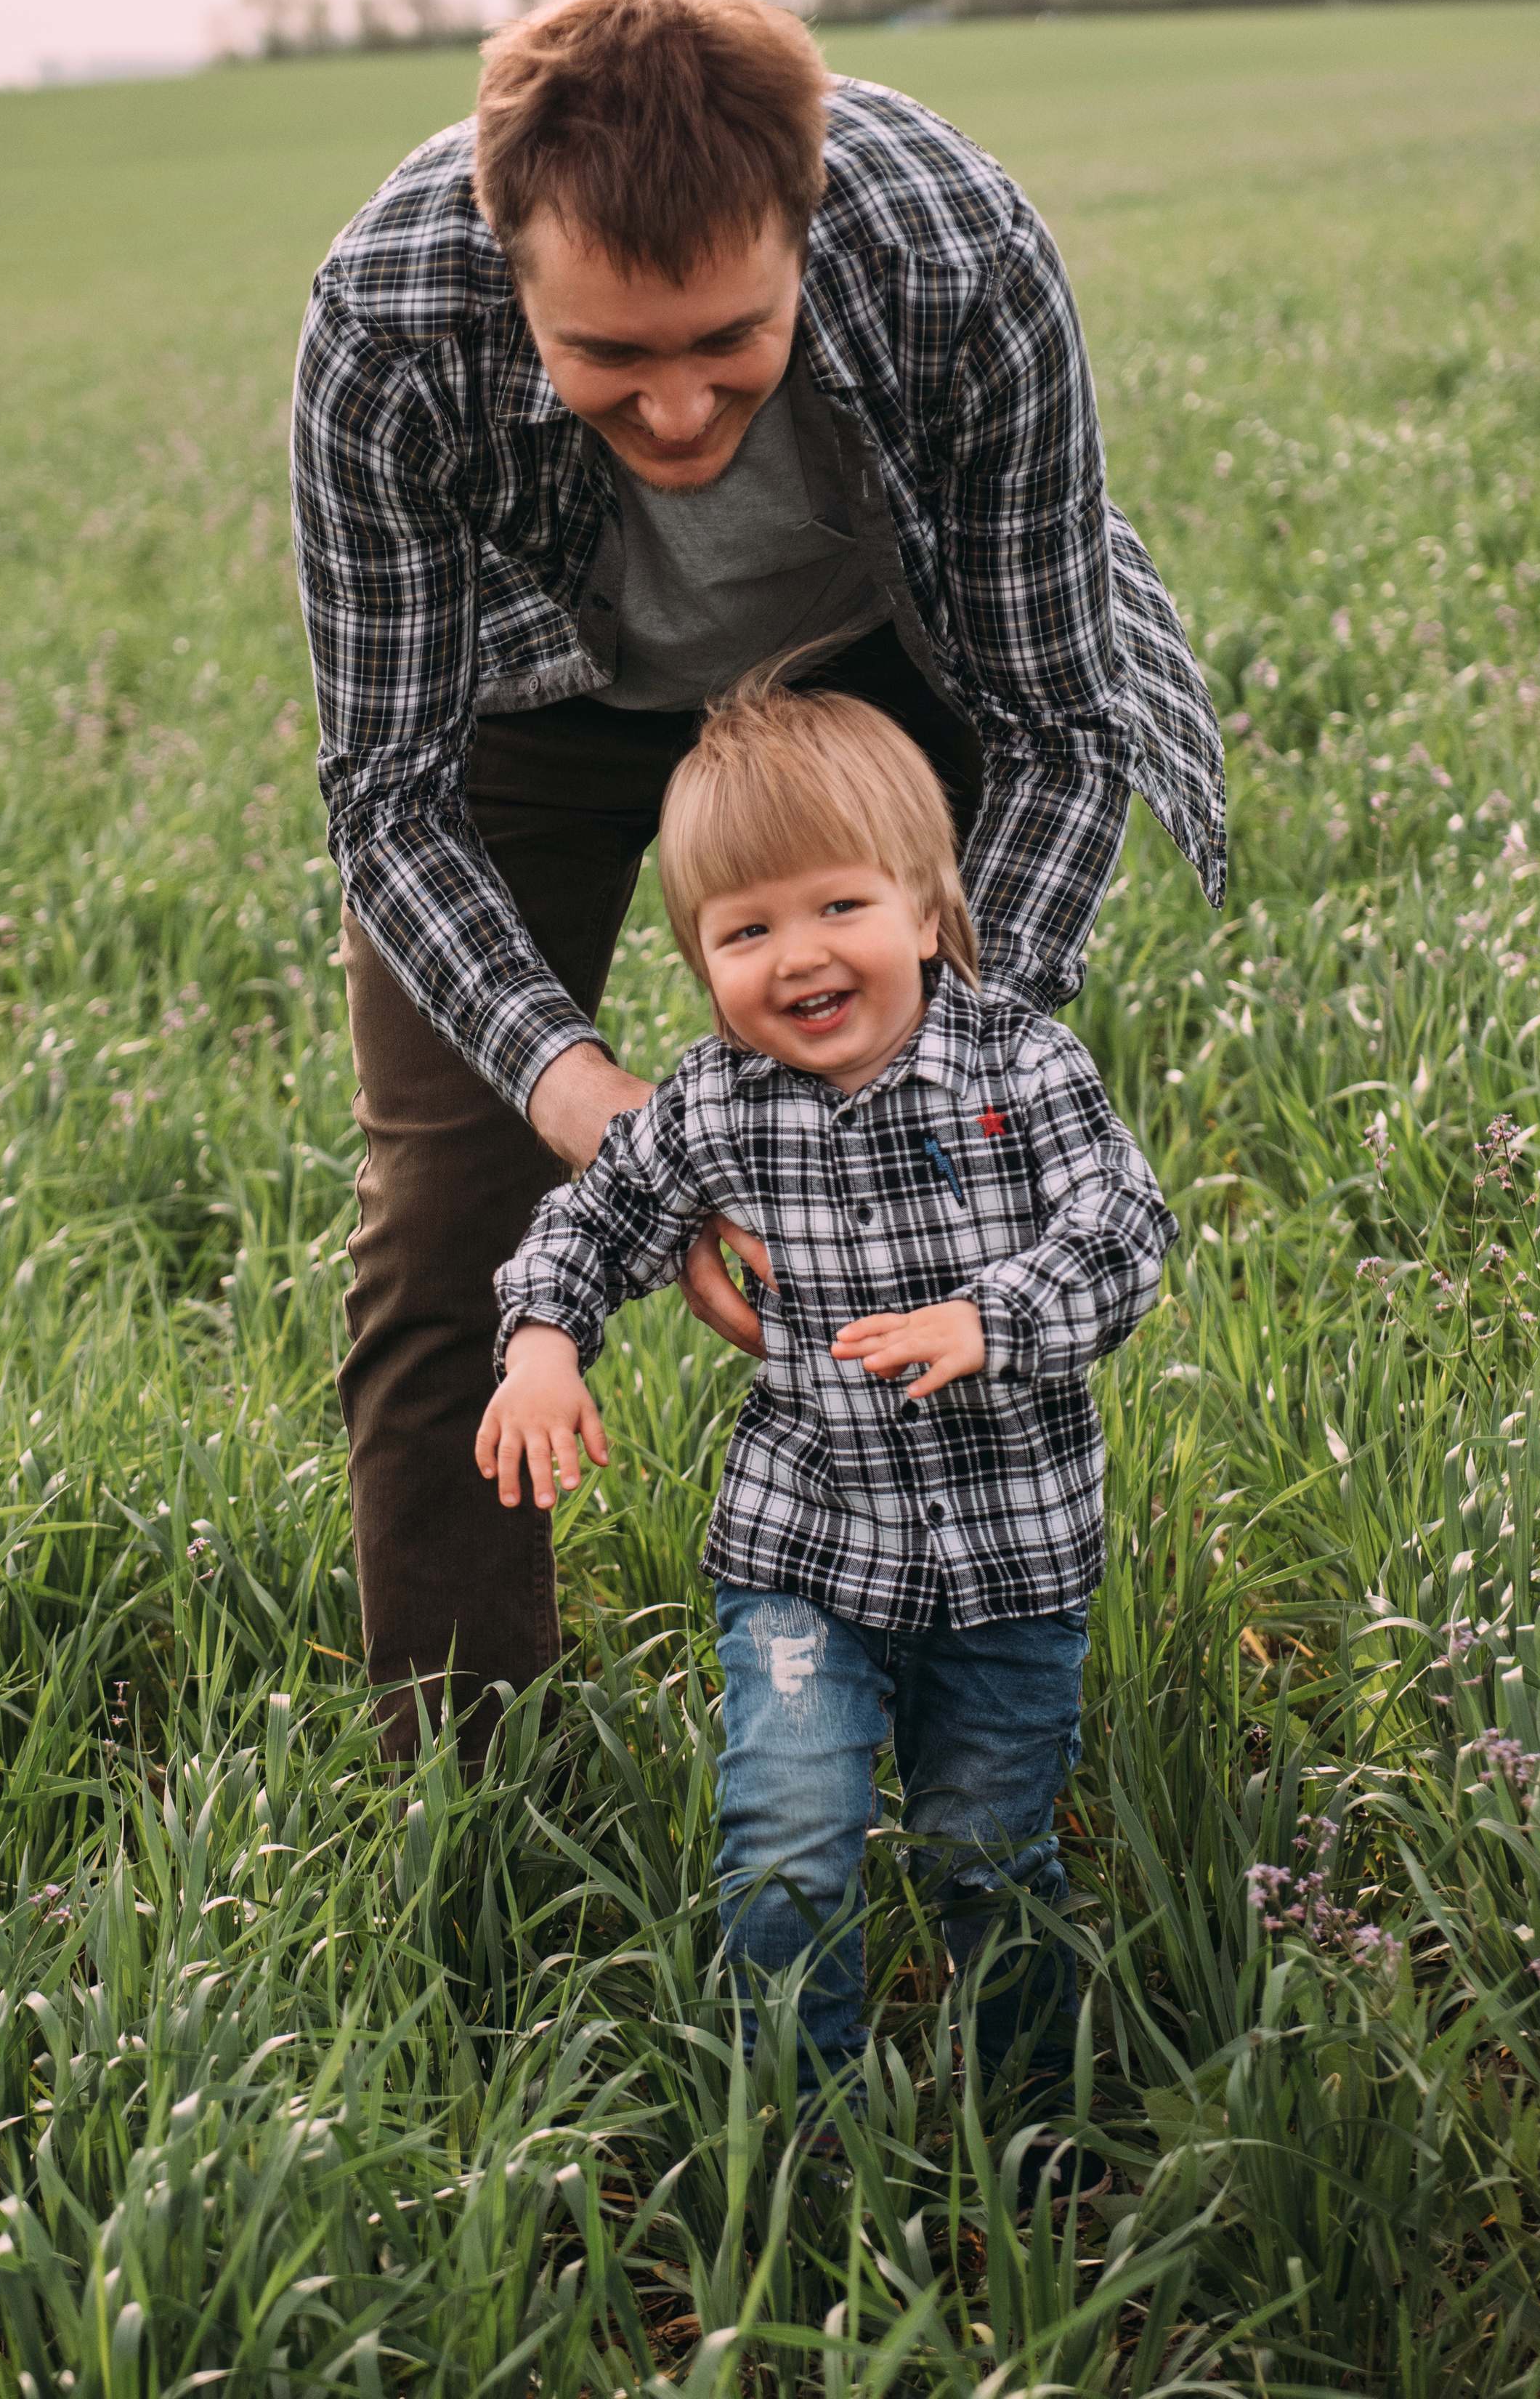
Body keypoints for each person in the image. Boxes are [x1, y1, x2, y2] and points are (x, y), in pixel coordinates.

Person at [291, 0, 1223, 1762]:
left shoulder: (955, 252)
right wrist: (598, 1112)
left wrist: (940, 1055)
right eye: (606, 357)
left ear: (804, 226)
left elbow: (1053, 723)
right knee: (447, 1219)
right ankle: (462, 1764)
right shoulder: (388, 323)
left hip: (889, 651)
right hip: (534, 693)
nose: (671, 409)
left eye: (727, 338)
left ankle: (960, 1680)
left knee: (965, 1174)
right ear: (506, 260)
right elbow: (390, 795)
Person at [479, 679, 1178, 2146]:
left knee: (987, 1854)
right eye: (744, 932)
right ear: (700, 961)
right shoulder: (711, 1108)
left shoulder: (1021, 1066)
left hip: (1011, 1565)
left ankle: (1031, 2131)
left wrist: (991, 1319)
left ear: (925, 909)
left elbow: (1124, 1230)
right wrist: (543, 1340)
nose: (797, 955)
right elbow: (593, 1222)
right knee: (789, 1847)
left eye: (838, 907)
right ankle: (803, 2143)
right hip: (805, 1552)